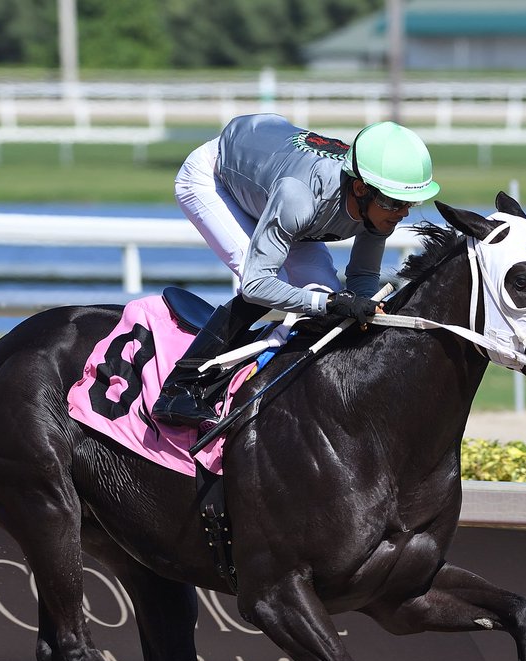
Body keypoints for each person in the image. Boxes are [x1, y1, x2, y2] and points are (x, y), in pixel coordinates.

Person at [152, 112, 441, 427]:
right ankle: (181, 385)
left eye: (408, 205)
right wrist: (329, 303)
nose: (401, 214)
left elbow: (362, 278)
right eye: (394, 204)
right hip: (216, 178)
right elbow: (256, 285)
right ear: (360, 189)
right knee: (277, 287)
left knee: (328, 300)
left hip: (280, 192)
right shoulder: (299, 198)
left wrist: (362, 308)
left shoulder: (378, 203)